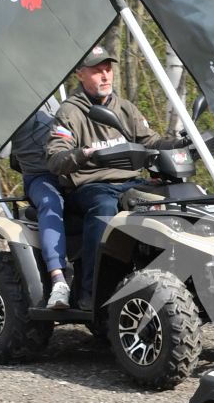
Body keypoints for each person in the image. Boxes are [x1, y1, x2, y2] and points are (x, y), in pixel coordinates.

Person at [46, 44, 157, 306]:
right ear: (80, 75)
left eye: (108, 69)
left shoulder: (125, 108)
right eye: (97, 71)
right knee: (105, 208)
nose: (106, 76)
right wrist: (83, 153)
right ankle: (92, 291)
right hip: (90, 187)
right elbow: (55, 158)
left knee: (175, 199)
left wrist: (182, 144)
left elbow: (151, 141)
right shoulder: (70, 112)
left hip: (130, 182)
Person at [8, 101, 74, 309]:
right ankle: (58, 280)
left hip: (75, 169)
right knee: (50, 203)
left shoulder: (52, 98)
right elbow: (3, 154)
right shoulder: (4, 111)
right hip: (41, 177)